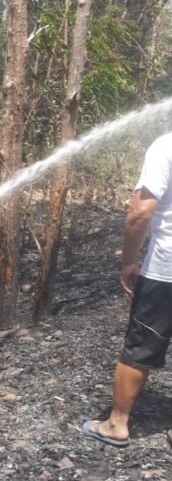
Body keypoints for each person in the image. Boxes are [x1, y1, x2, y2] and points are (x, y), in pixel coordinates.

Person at [82, 132, 172, 447]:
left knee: (141, 346)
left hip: (165, 273)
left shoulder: (166, 145)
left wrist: (129, 260)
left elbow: (141, 212)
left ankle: (116, 423)